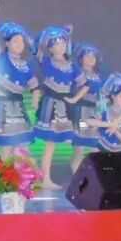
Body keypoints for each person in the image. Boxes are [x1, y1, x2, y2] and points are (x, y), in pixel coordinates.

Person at [0, 0, 39, 157]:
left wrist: (34, 102)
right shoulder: (1, 57)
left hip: (18, 108)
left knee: (22, 147)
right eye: (15, 41)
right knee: (6, 146)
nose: (19, 44)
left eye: (21, 41)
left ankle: (17, 172)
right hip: (2, 106)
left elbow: (35, 87)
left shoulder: (25, 65)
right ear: (7, 43)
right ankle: (3, 173)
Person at [33, 26, 87, 189]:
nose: (61, 46)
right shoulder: (46, 61)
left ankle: (49, 177)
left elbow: (84, 85)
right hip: (50, 104)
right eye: (57, 44)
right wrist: (50, 33)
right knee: (50, 144)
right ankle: (46, 179)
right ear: (50, 48)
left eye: (63, 43)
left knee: (63, 142)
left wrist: (74, 99)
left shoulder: (72, 65)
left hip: (65, 107)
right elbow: (34, 46)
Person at [69, 43, 105, 175]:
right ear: (81, 58)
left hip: (93, 114)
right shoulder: (77, 74)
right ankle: (76, 176)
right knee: (79, 147)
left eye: (93, 56)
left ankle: (93, 177)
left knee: (95, 146)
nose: (91, 58)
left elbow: (101, 96)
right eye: (87, 56)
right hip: (79, 112)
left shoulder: (98, 77)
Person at [89, 73, 121, 153]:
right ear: (113, 96)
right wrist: (110, 124)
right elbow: (88, 122)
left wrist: (115, 130)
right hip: (103, 148)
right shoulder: (105, 114)